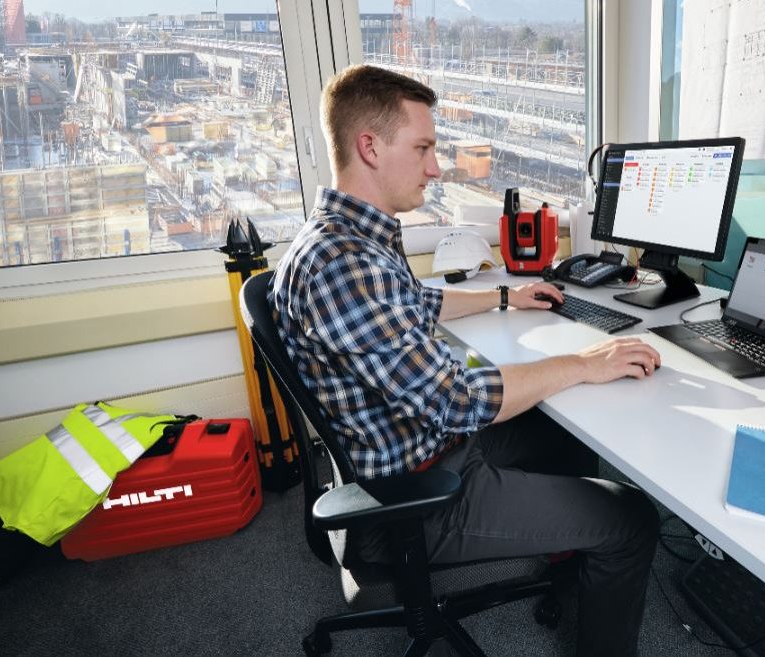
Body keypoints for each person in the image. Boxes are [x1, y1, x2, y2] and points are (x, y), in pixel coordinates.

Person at [270, 64, 662, 657]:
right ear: (369, 147)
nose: (435, 166)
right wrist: (585, 361)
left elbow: (413, 304)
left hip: (418, 449)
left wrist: (505, 295)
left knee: (563, 437)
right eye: (424, 148)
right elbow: (457, 399)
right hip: (415, 494)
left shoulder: (346, 238)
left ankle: (569, 552)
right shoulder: (344, 265)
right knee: (632, 516)